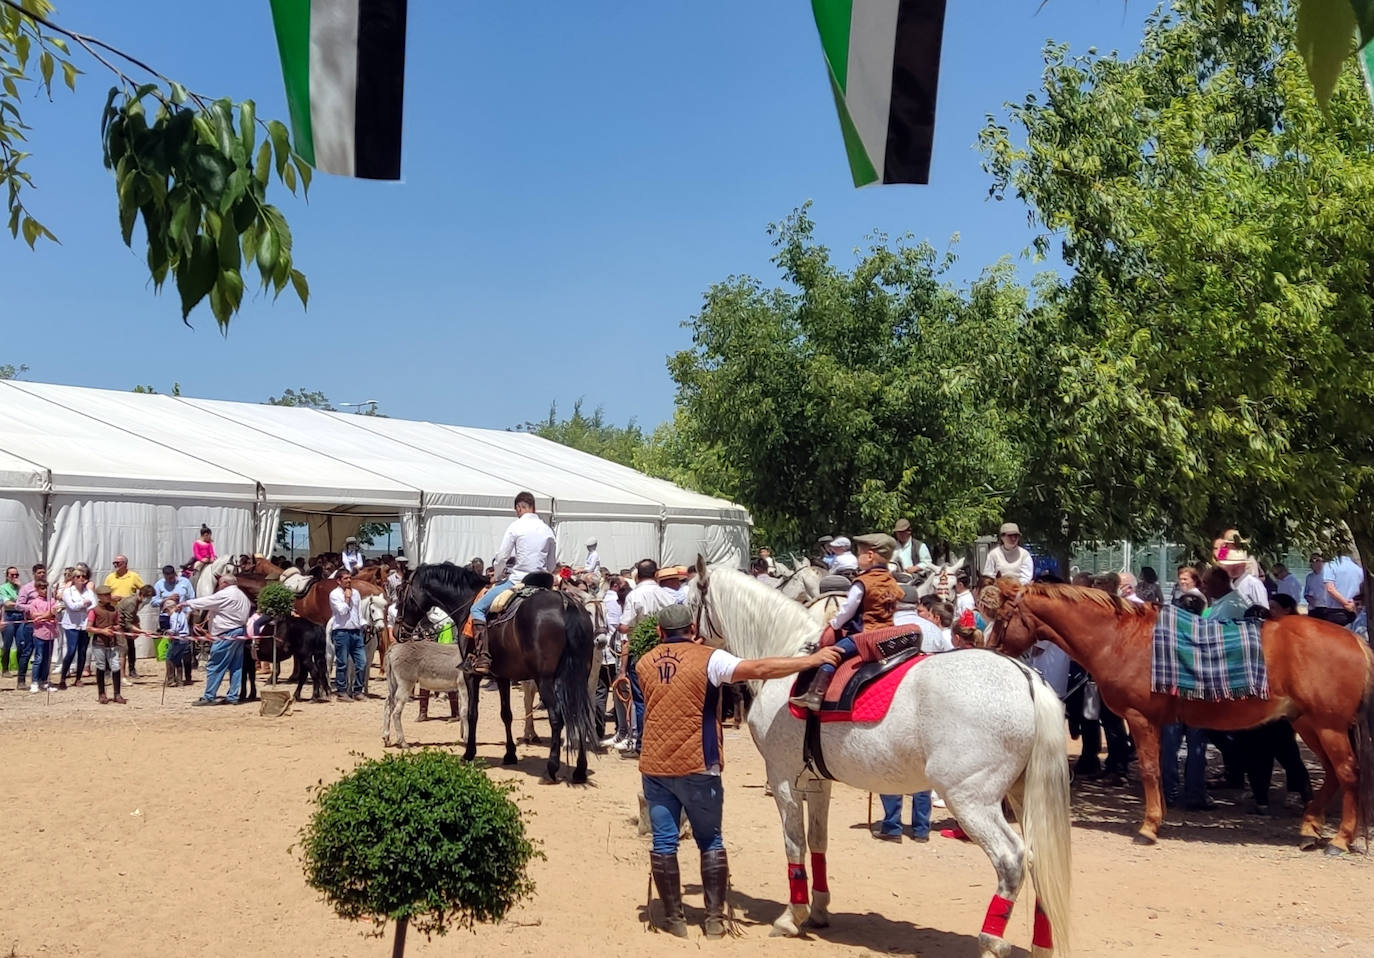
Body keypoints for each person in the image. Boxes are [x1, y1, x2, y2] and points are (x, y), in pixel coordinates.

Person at [638, 602, 841, 938]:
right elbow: (759, 668)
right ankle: (715, 919)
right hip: (699, 764)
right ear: (693, 630)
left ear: (660, 633)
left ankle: (674, 919)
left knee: (664, 842)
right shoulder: (710, 659)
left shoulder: (644, 662)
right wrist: (810, 660)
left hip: (655, 765)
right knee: (710, 839)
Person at [790, 534, 902, 711]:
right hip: (887, 634)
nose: (858, 558)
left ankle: (815, 694)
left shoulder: (862, 582)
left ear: (870, 556)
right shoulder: (892, 581)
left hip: (864, 636)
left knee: (832, 653)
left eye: (860, 554)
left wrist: (833, 625)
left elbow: (847, 610)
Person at [467, 491, 558, 674]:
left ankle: (483, 657)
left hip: (519, 581)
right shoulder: (548, 530)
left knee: (476, 608)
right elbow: (551, 564)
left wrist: (498, 576)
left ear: (519, 507)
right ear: (534, 507)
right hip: (543, 583)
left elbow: (502, 557)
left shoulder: (515, 527)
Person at [616, 559, 682, 755]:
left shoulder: (634, 595)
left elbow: (625, 626)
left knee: (641, 699)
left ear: (638, 576)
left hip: (641, 651)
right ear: (656, 575)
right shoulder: (668, 596)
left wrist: (630, 627)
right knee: (667, 697)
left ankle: (643, 744)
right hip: (666, 651)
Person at [181, 574, 252, 706]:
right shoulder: (242, 596)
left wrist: (187, 603)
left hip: (226, 633)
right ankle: (233, 696)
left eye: (219, 583)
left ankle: (209, 696)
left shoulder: (225, 594)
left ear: (224, 583)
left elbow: (207, 601)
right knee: (236, 666)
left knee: (216, 664)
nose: (218, 586)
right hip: (239, 631)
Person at [19, 566, 59, 693]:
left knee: (46, 657)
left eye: (43, 572)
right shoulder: (28, 592)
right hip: (36, 629)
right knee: (34, 655)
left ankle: (44, 680)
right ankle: (29, 681)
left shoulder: (50, 597)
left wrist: (45, 615)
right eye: (39, 572)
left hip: (49, 631)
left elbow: (53, 611)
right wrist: (41, 614)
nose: (42, 574)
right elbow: (26, 610)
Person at [329, 569, 366, 701]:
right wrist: (347, 598)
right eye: (345, 578)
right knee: (342, 663)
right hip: (342, 632)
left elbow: (358, 611)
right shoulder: (334, 594)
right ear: (338, 581)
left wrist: (362, 623)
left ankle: (358, 690)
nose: (349, 581)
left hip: (356, 632)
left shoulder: (356, 593)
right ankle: (341, 691)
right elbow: (343, 611)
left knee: (362, 662)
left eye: (350, 578)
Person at [57, 567, 96, 689]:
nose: (81, 578)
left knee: (82, 651)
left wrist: (83, 605)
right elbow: (71, 606)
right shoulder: (68, 591)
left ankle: (78, 678)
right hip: (71, 624)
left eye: (83, 576)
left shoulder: (88, 591)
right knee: (71, 650)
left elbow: (94, 604)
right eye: (78, 576)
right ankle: (63, 677)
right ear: (73, 579)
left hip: (84, 625)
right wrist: (83, 604)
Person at [87, 586, 126, 704]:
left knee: (116, 666)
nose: (109, 596)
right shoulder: (94, 610)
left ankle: (117, 694)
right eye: (106, 595)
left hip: (112, 643)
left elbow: (119, 624)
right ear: (99, 596)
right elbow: (88, 627)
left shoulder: (114, 610)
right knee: (101, 666)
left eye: (109, 594)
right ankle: (101, 693)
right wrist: (102, 631)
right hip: (99, 642)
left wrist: (114, 628)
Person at [1319, 552, 1364, 626]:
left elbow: (1330, 588)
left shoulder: (1330, 565)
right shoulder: (1358, 568)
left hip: (1335, 612)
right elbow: (1362, 590)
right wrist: (1352, 603)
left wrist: (1345, 603)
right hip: (1354, 610)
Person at [162, 597, 192, 687]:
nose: (166, 613)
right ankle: (180, 681)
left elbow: (175, 629)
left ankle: (171, 680)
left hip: (178, 639)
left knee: (169, 658)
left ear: (168, 608)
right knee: (178, 660)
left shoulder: (174, 616)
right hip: (185, 639)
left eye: (166, 611)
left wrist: (167, 632)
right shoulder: (182, 614)